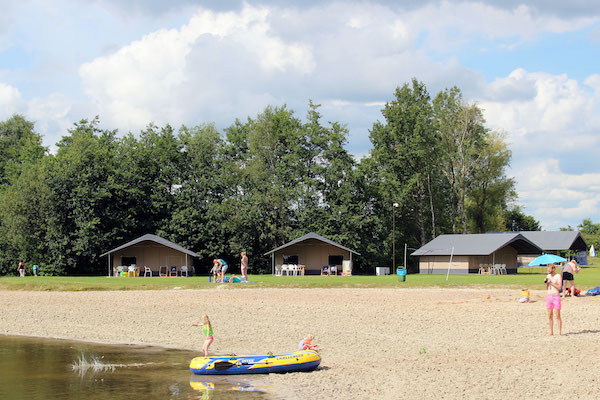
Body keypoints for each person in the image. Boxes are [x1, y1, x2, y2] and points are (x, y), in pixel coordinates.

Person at [545, 264, 562, 336]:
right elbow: (546, 288)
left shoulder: (558, 276)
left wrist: (551, 282)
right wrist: (547, 283)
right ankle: (551, 331)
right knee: (550, 315)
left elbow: (559, 287)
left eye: (550, 269)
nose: (549, 270)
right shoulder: (548, 276)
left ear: (553, 269)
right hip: (549, 296)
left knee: (557, 315)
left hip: (556, 296)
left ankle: (559, 332)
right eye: (548, 269)